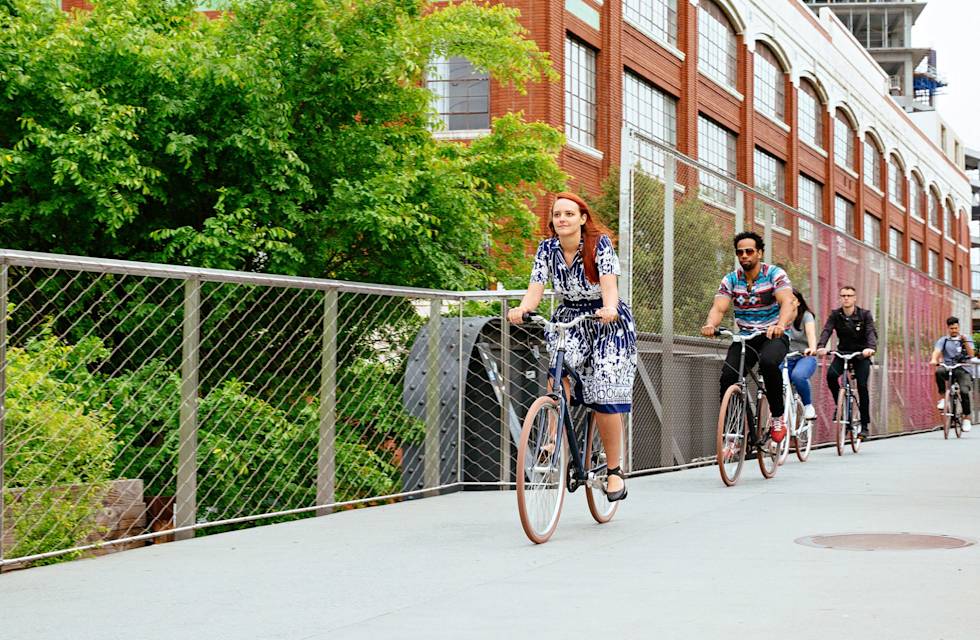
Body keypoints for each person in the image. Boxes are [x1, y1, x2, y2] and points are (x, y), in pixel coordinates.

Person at [508, 192, 637, 502]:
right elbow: (535, 288)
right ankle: (552, 440)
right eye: (557, 215)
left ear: (582, 218)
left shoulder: (599, 244)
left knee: (604, 395)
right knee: (558, 372)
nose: (562, 219)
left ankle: (615, 471)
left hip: (606, 321)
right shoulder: (547, 249)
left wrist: (609, 308)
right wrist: (522, 309)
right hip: (570, 317)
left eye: (568, 214)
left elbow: (609, 287)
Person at [701, 231, 796, 443]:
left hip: (773, 334)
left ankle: (778, 416)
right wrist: (710, 324)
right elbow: (719, 307)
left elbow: (787, 302)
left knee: (769, 362)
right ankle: (734, 434)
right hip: (746, 337)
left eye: (749, 251)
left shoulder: (774, 274)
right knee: (728, 378)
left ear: (759, 253)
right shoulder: (731, 279)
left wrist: (780, 325)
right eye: (740, 252)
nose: (744, 256)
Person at [815, 286, 877, 439]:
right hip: (842, 353)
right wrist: (821, 346)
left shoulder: (865, 315)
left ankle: (864, 425)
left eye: (849, 295)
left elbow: (871, 332)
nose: (846, 298)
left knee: (862, 385)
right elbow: (827, 330)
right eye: (843, 295)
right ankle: (841, 405)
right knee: (831, 376)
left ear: (855, 298)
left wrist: (870, 348)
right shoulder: (836, 315)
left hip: (861, 355)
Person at [930, 316, 974, 432]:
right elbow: (937, 351)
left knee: (964, 391)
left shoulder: (966, 339)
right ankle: (943, 398)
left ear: (959, 327)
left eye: (956, 328)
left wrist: (965, 342)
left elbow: (972, 354)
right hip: (948, 367)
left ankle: (966, 418)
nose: (954, 330)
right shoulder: (943, 340)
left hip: (963, 368)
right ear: (948, 328)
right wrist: (934, 359)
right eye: (951, 328)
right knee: (939, 372)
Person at [784, 289, 818, 420]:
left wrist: (812, 348)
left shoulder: (806, 316)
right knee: (774, 378)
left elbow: (811, 334)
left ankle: (808, 405)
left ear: (798, 302)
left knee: (798, 376)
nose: (789, 303)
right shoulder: (780, 316)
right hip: (786, 357)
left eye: (792, 300)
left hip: (804, 356)